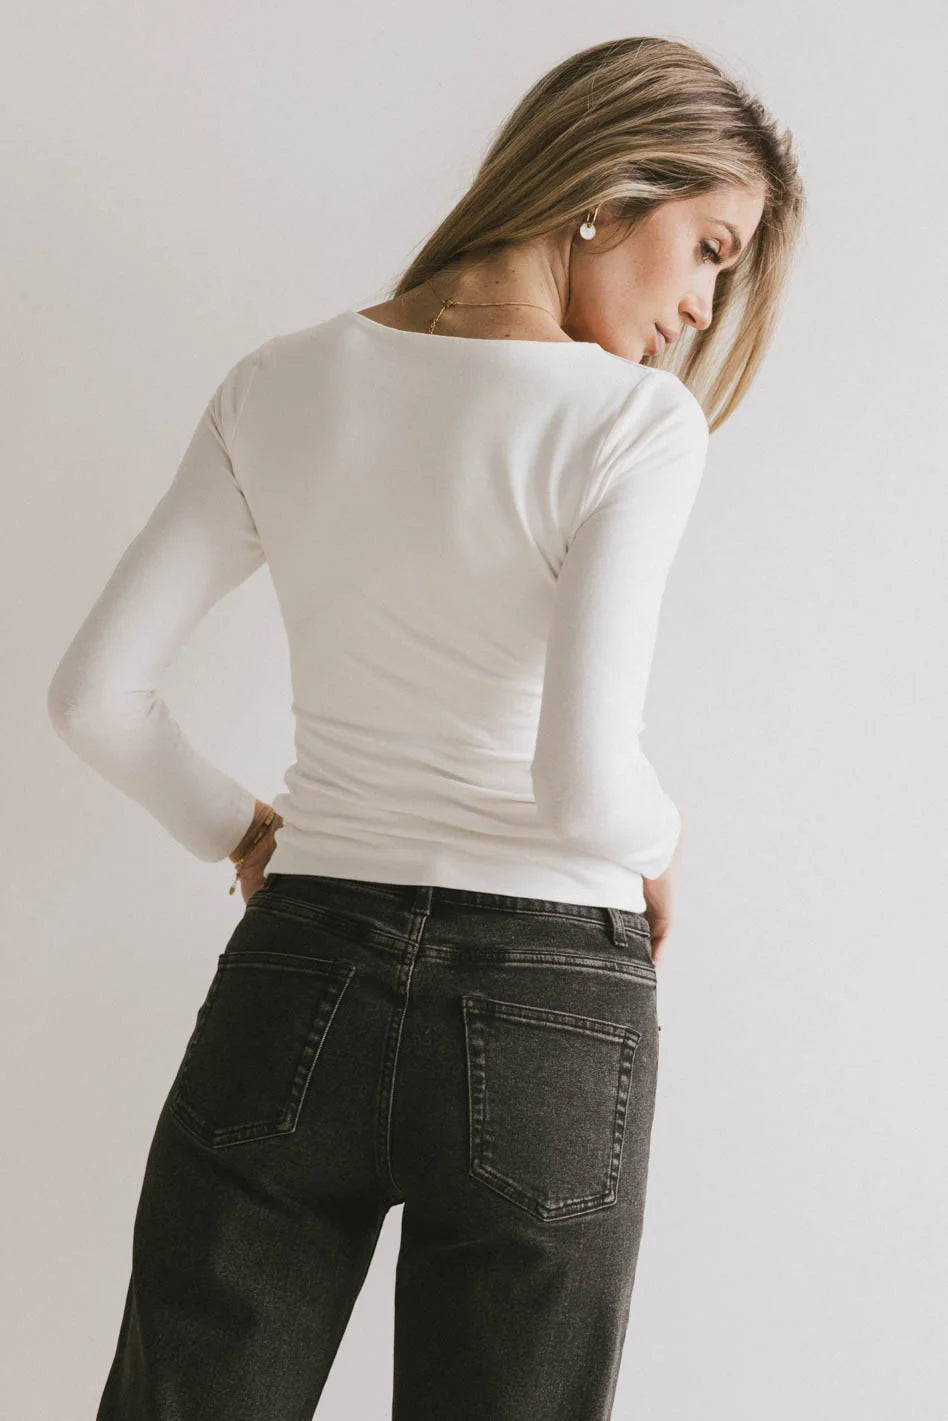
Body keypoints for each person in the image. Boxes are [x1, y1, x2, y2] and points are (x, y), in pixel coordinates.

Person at [46, 34, 804, 1421]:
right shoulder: (634, 424)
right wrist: (663, 837)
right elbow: (583, 786)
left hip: (299, 972)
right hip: (547, 1007)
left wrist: (245, 829)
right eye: (709, 249)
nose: (703, 307)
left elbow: (94, 696)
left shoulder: (277, 383)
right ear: (608, 190)